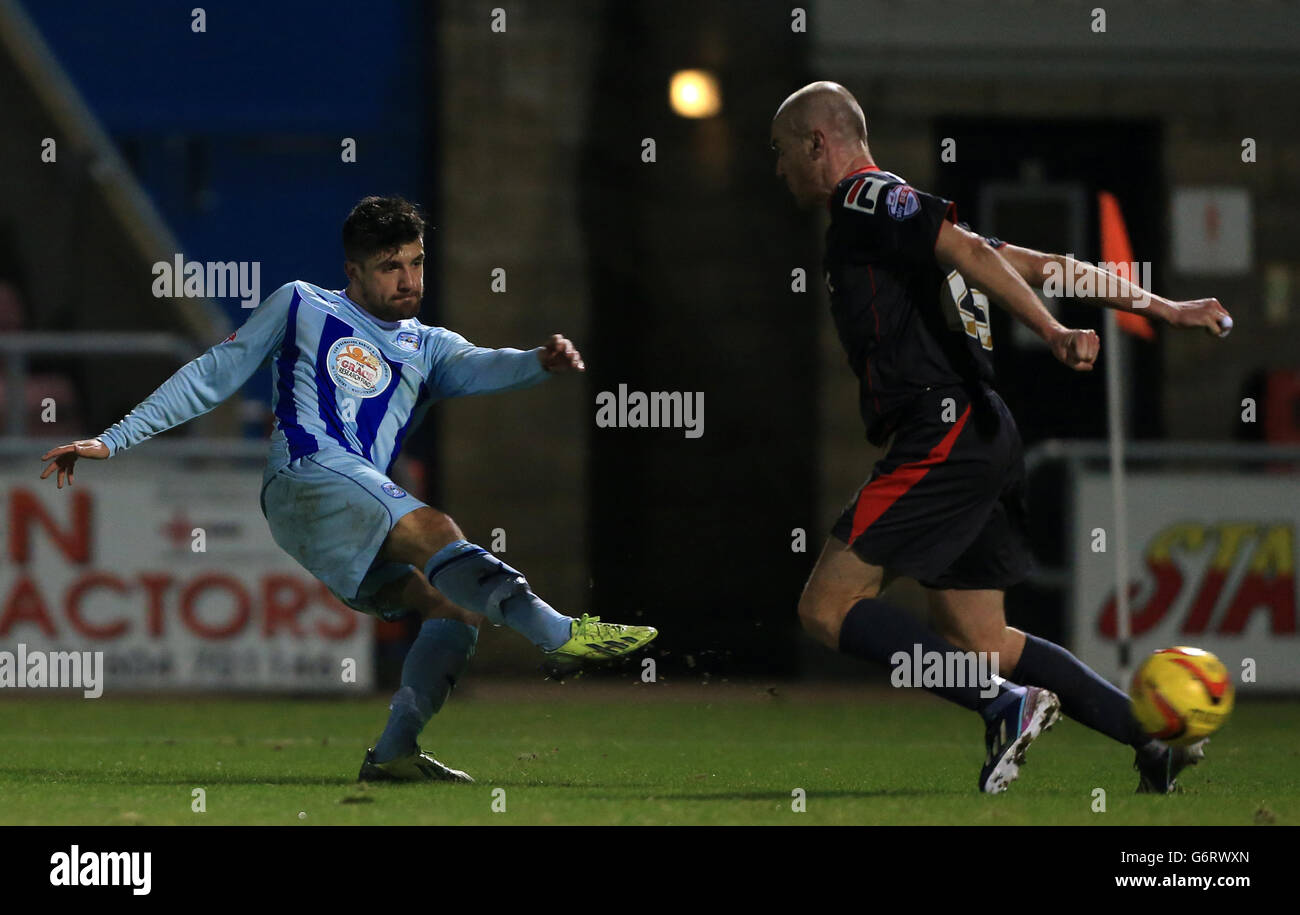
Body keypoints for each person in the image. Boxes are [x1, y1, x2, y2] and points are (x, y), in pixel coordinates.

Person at [39, 195, 657, 783]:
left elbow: (484, 364)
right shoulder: (303, 305)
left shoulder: (429, 346)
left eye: (416, 262)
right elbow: (214, 371)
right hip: (305, 476)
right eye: (390, 267)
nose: (409, 279)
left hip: (341, 504)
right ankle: (560, 635)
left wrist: (536, 361)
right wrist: (113, 439)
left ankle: (394, 754)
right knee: (439, 532)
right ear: (353, 272)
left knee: (452, 605)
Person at [771, 82, 1233, 793]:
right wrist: (1163, 306)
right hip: (984, 431)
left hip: (939, 430)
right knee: (982, 640)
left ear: (817, 144)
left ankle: (1005, 705)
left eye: (782, 153)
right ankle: (1150, 737)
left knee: (825, 607)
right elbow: (1035, 261)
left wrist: (1048, 331)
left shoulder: (867, 200)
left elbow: (968, 250)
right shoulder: (901, 221)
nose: (780, 170)